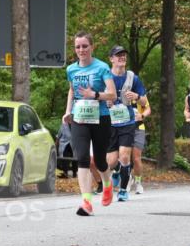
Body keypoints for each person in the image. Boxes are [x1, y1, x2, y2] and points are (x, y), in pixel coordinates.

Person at [63, 32, 117, 216]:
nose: (81, 50)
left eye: (85, 46)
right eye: (78, 46)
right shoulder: (71, 69)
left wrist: (94, 95)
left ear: (92, 47)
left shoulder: (102, 68)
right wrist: (68, 111)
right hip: (79, 118)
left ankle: (107, 183)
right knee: (83, 159)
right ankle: (86, 202)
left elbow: (112, 94)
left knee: (101, 160)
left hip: (101, 117)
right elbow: (72, 90)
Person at [105, 46, 147, 201]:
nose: (122, 57)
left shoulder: (132, 78)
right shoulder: (104, 76)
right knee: (111, 161)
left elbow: (143, 100)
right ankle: (116, 171)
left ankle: (123, 190)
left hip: (127, 122)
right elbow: (94, 97)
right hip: (109, 123)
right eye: (118, 55)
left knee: (124, 156)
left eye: (123, 55)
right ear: (111, 59)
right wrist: (105, 99)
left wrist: (136, 96)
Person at [131, 84, 152, 194]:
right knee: (121, 156)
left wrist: (142, 116)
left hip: (138, 127)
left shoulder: (139, 93)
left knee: (136, 158)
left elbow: (148, 109)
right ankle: (126, 175)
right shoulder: (118, 91)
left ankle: (138, 182)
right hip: (122, 127)